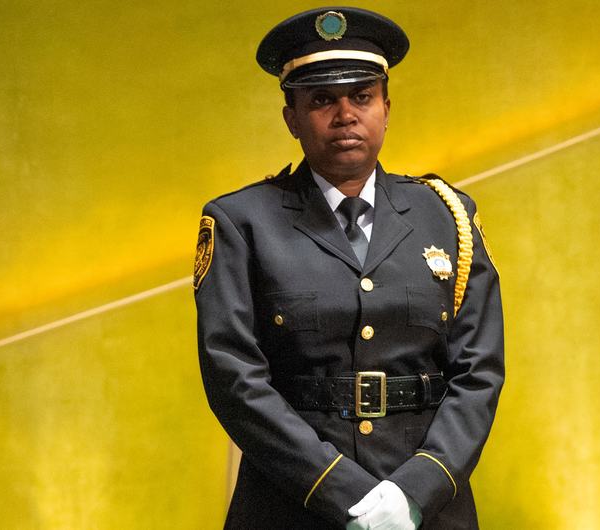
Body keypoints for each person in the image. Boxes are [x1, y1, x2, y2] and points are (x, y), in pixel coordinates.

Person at [193, 7, 504, 529]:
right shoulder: (240, 222)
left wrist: (413, 492)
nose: (345, 115)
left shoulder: (446, 214)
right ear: (291, 117)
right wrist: (341, 492)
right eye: (321, 100)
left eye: (361, 96)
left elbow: (480, 371)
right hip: (292, 503)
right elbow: (234, 378)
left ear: (386, 106)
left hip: (428, 507)